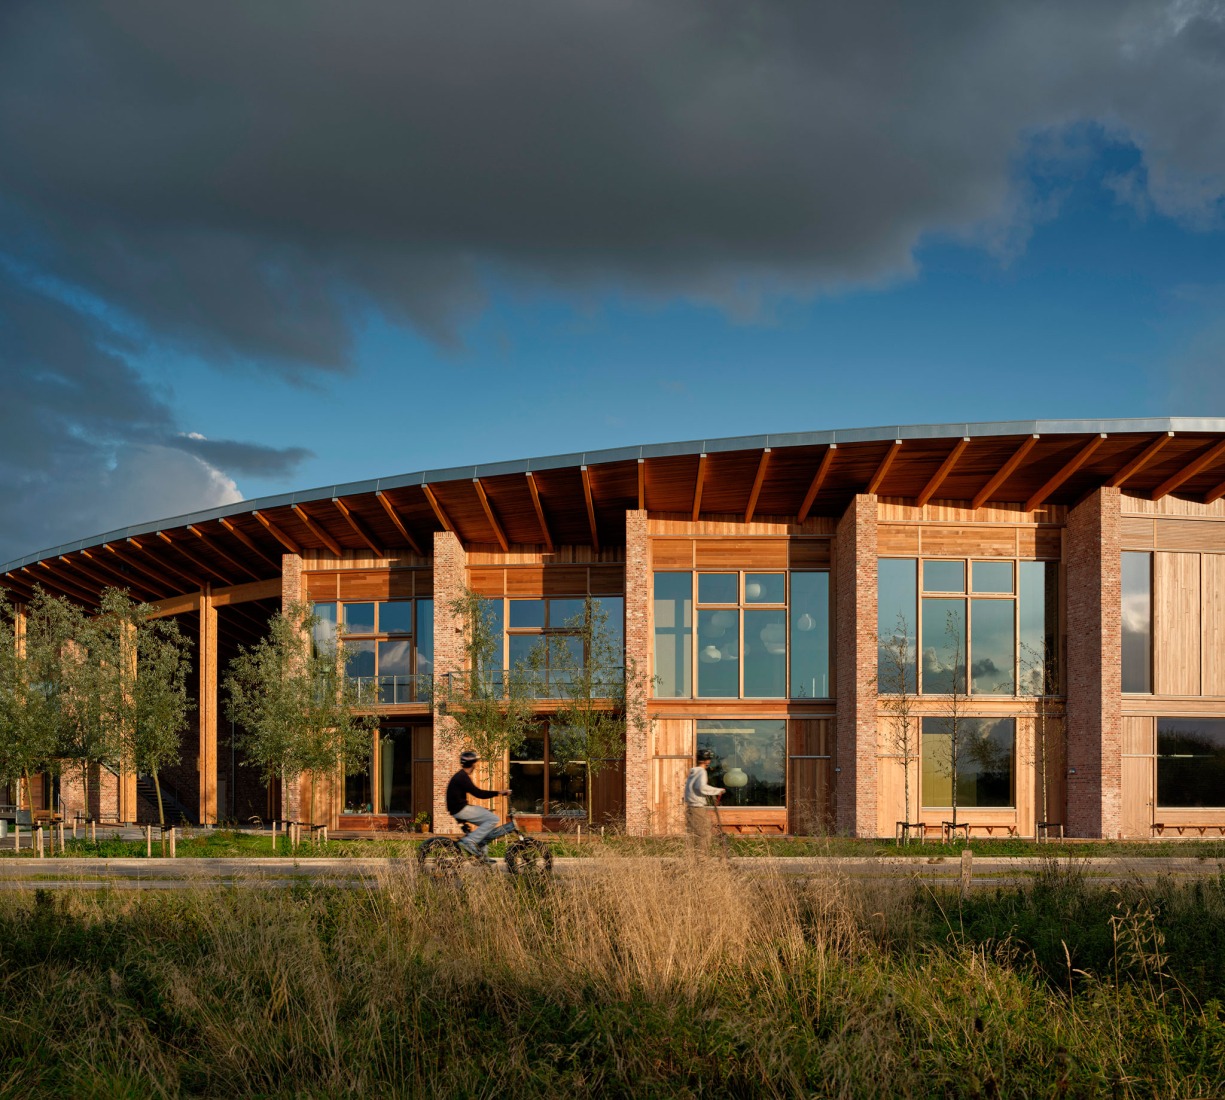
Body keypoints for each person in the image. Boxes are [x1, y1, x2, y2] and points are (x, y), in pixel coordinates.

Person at [446, 750, 511, 861]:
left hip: (458, 809)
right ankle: (469, 842)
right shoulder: (462, 777)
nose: (475, 766)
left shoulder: (460, 776)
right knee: (493, 819)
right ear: (472, 764)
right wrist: (499, 792)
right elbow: (479, 793)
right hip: (460, 809)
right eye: (475, 764)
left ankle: (482, 856)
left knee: (485, 825)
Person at [683, 748, 724, 855]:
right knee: (704, 834)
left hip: (690, 808)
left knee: (693, 835)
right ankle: (701, 859)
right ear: (707, 761)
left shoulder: (693, 772)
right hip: (697, 808)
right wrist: (718, 791)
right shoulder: (701, 772)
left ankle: (692, 858)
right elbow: (701, 787)